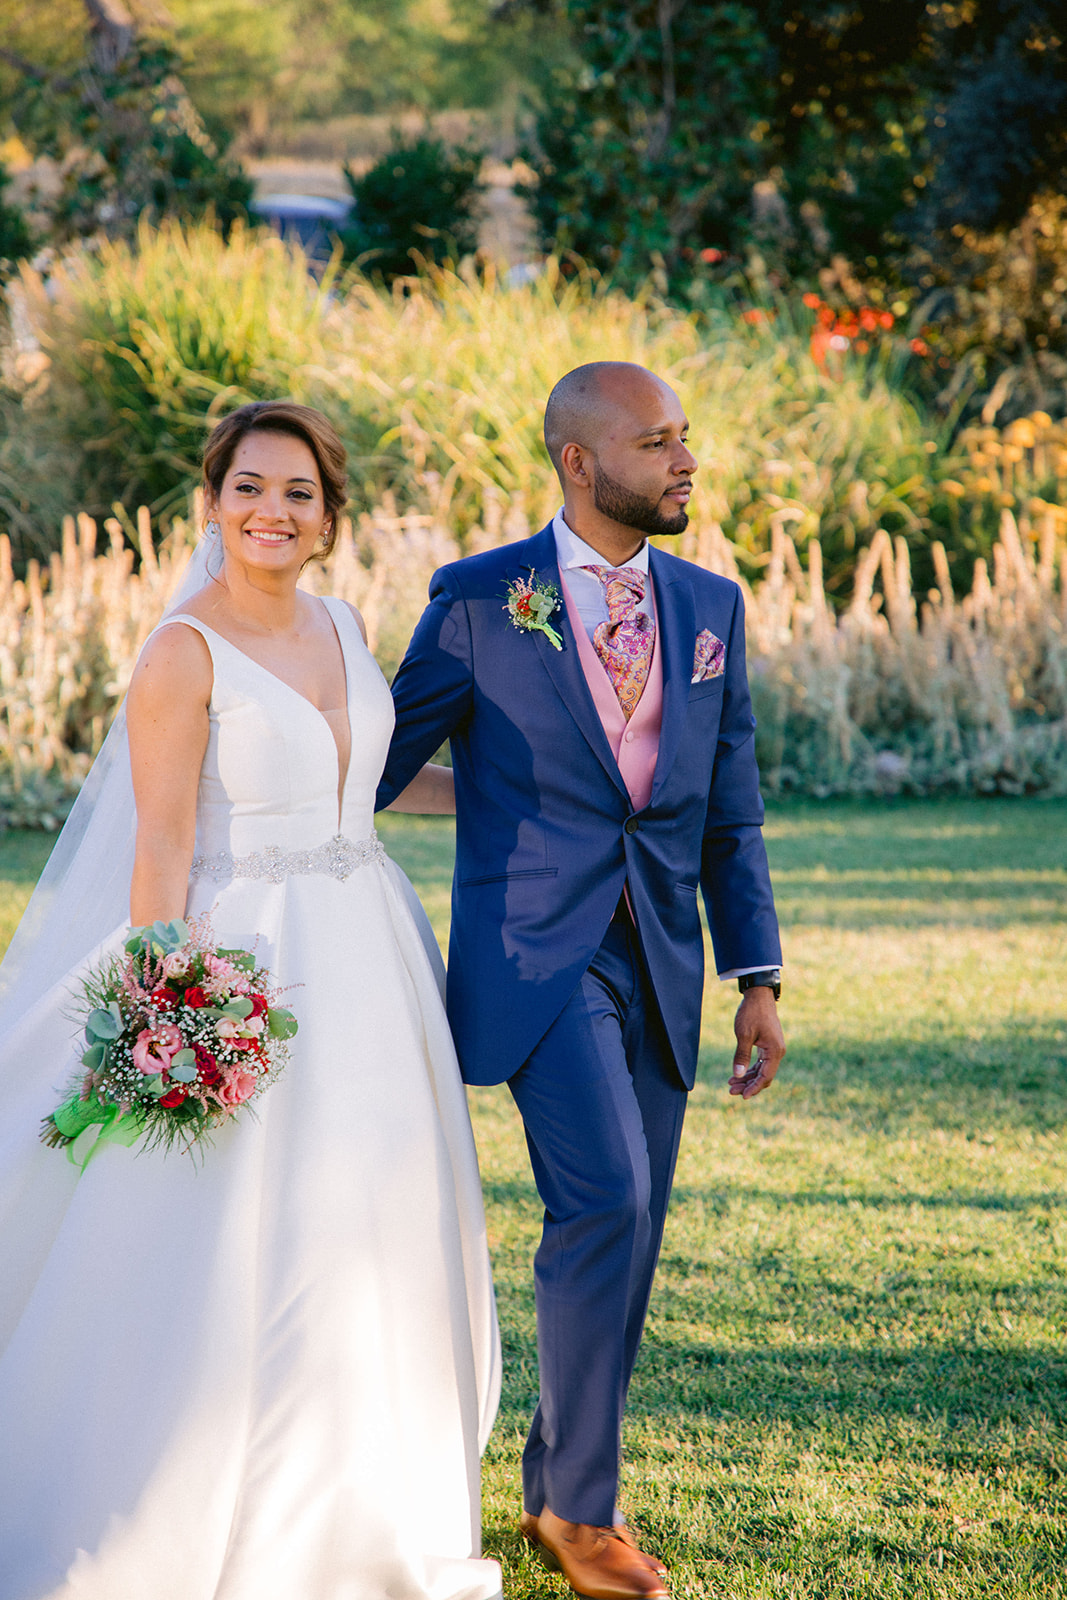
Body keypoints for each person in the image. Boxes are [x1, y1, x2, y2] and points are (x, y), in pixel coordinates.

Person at [0, 401, 502, 1600]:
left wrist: (527, 791)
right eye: (249, 488)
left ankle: (361, 1493)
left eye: (298, 493)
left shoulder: (339, 621)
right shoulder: (182, 651)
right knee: (230, 1237)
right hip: (246, 963)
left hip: (371, 956)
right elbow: (161, 848)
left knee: (368, 1225)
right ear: (212, 499)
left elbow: (361, 784)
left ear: (329, 517)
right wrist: (171, 1002)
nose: (272, 512)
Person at [376, 361, 786, 1600]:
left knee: (636, 1221)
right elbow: (378, 764)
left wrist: (755, 972)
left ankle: (563, 1477)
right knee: (602, 1193)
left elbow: (729, 810)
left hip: (660, 954)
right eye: (656, 442)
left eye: (683, 439)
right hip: (531, 954)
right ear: (578, 460)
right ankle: (574, 1512)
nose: (684, 462)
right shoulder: (475, 600)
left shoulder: (711, 605)